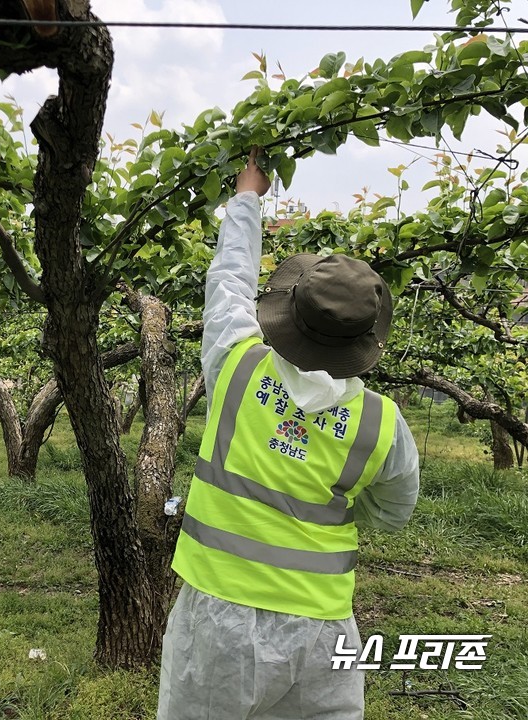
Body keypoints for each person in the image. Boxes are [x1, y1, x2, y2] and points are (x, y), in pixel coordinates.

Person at [157, 148, 420, 720]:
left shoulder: (234, 363)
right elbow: (392, 513)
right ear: (363, 339)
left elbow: (228, 279)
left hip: (218, 616)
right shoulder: (383, 423)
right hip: (324, 631)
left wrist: (248, 196)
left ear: (286, 310)